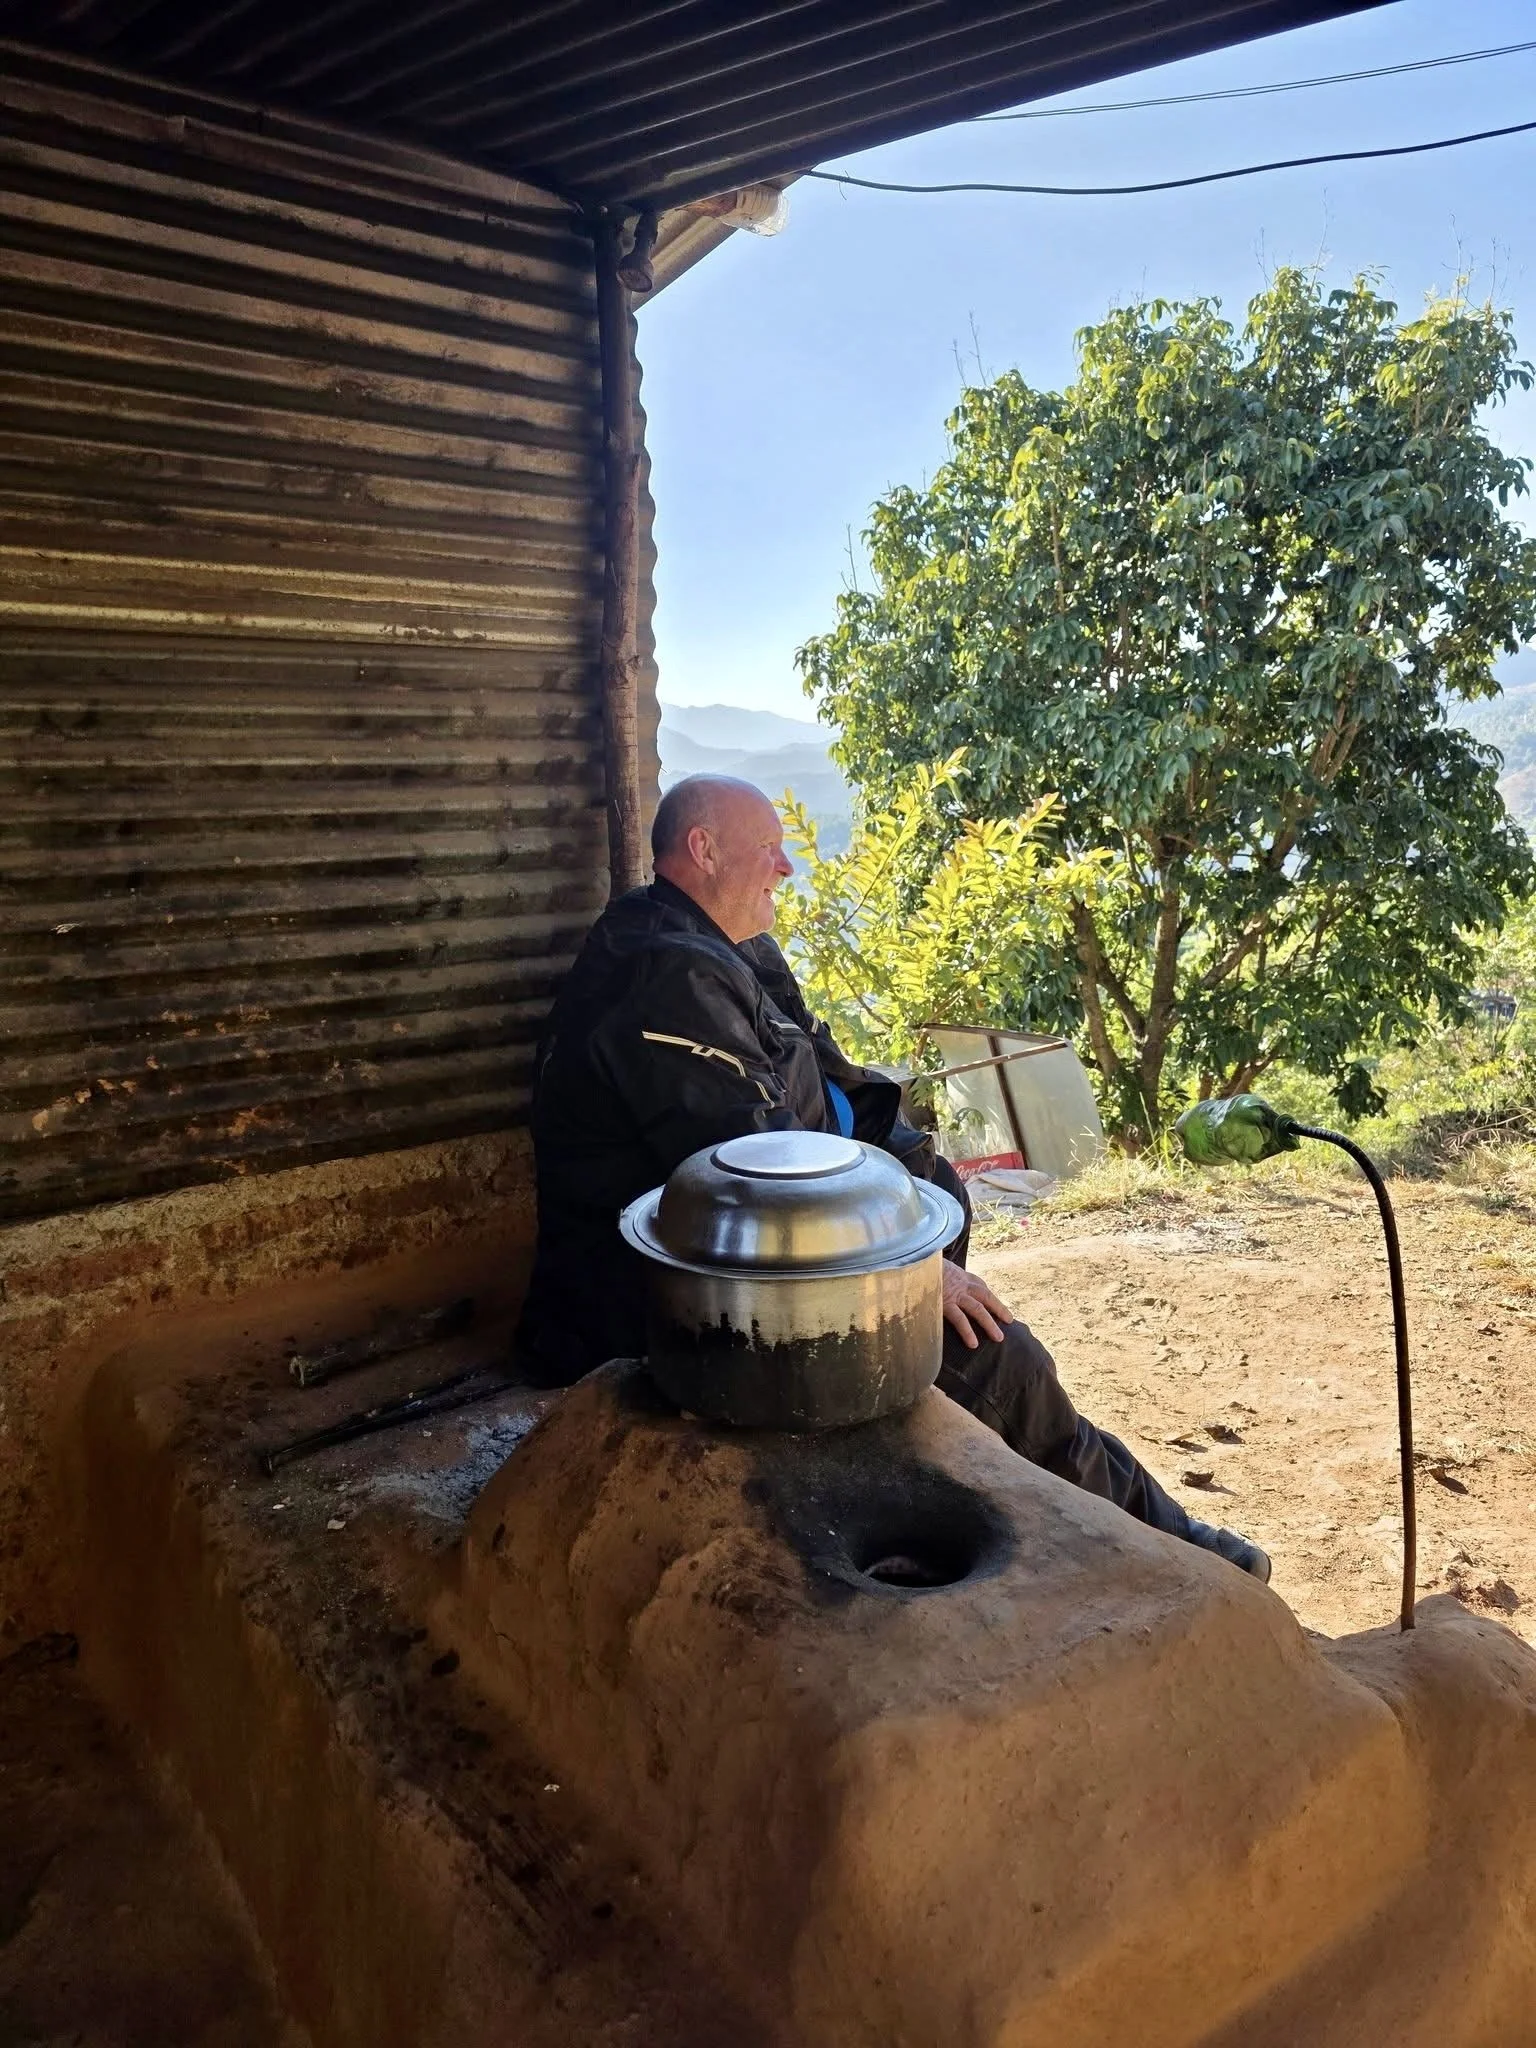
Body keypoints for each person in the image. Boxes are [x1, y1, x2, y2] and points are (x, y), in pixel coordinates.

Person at [516, 774, 1270, 1582]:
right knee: (999, 1357)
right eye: (770, 850)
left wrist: (913, 1172)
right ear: (702, 851)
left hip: (756, 1269)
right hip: (663, 1309)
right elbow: (757, 1194)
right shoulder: (664, 978)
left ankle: (926, 1442)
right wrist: (910, 1277)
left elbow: (842, 1080)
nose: (786, 870)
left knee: (941, 1206)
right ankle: (1166, 1550)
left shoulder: (730, 952)